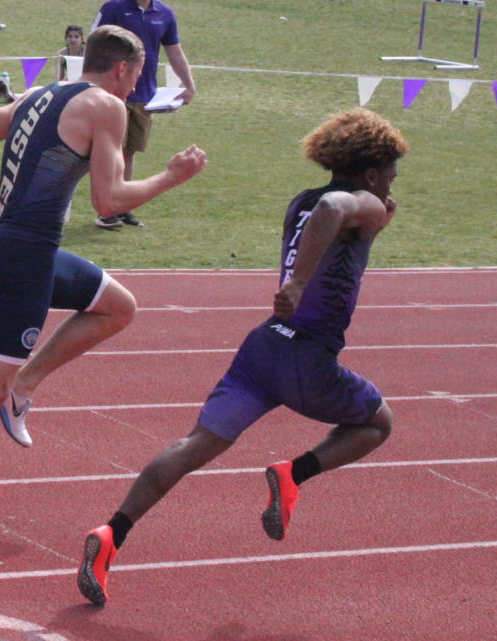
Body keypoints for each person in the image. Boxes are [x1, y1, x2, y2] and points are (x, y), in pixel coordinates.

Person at [76, 109, 406, 607]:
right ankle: (294, 474)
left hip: (263, 347)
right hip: (308, 360)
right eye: (391, 177)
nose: (390, 188)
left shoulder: (301, 201)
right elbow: (336, 211)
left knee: (193, 446)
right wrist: (298, 282)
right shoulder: (360, 202)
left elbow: (328, 228)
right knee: (378, 424)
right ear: (372, 173)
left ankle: (112, 533)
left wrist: (363, 233)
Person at [0, 27, 206, 533]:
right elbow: (110, 201)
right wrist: (171, 177)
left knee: (117, 307)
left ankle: (25, 384)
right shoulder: (107, 107)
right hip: (26, 259)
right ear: (122, 69)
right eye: (138, 77)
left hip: (20, 248)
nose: (136, 90)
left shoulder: (41, 95)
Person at [92, 0, 196, 229]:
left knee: (129, 152)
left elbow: (174, 51)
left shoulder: (165, 14)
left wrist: (189, 83)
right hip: (112, 92)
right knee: (110, 151)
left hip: (143, 94)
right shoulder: (114, 7)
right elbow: (93, 43)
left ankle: (123, 205)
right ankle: (106, 210)